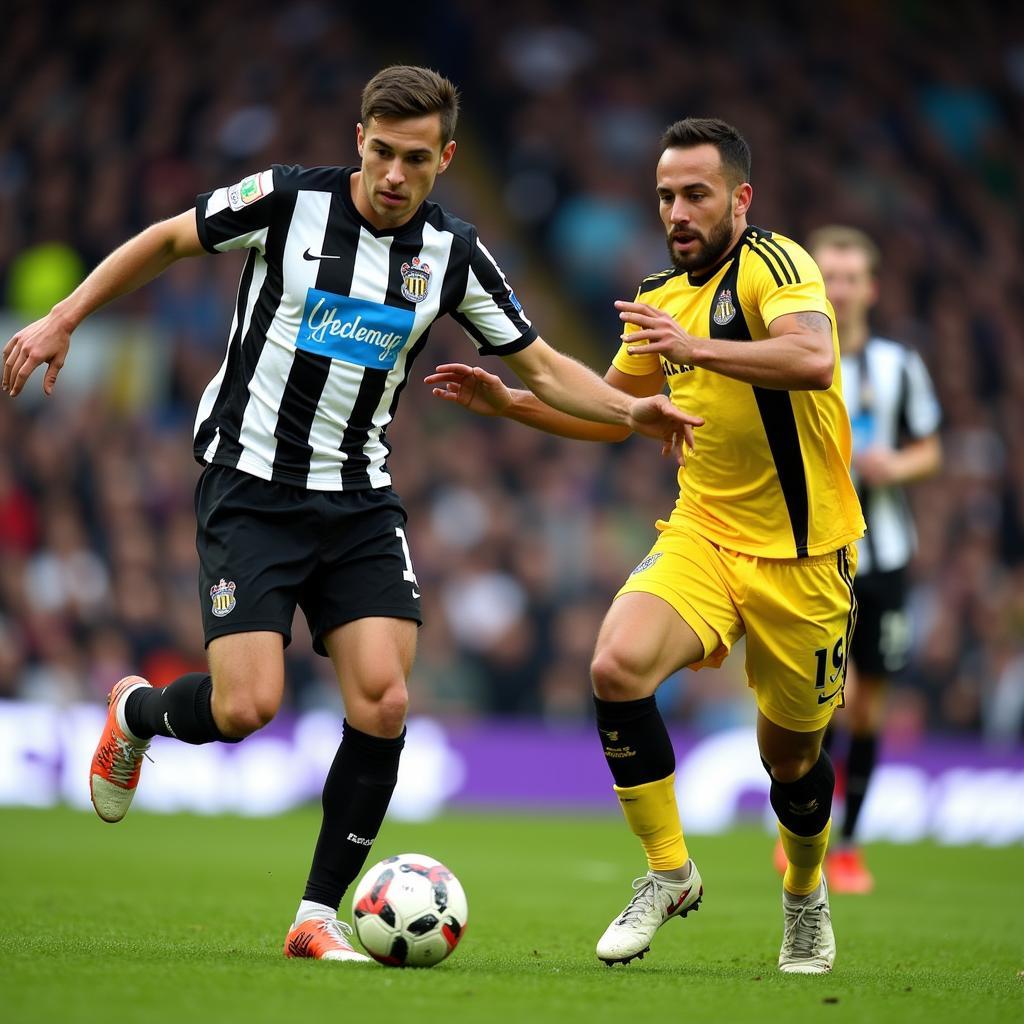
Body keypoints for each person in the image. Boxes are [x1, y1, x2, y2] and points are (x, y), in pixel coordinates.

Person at [1, 65, 698, 964]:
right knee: (247, 705)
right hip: (249, 484)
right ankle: (137, 715)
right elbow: (169, 240)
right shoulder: (287, 204)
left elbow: (543, 366)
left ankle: (316, 914)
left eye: (417, 158)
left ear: (447, 159)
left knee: (386, 698)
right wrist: (63, 316)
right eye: (381, 152)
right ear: (357, 141)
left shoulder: (453, 257)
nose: (396, 175)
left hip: (359, 497)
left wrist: (631, 411)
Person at [427, 118, 865, 974]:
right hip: (703, 533)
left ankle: (805, 896)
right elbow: (611, 411)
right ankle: (669, 872)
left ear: (740, 198)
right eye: (665, 195)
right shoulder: (658, 295)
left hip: (806, 556)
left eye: (696, 193)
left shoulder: (778, 267)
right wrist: (510, 403)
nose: (677, 210)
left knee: (793, 760)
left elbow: (812, 360)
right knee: (615, 667)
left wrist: (695, 348)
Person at [801, 225, 941, 892]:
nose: (839, 289)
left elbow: (932, 449)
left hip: (883, 559)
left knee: (868, 706)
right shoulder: (791, 360)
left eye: (851, 277)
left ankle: (849, 844)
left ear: (871, 288)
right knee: (822, 700)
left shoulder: (898, 366)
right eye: (828, 275)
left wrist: (895, 465)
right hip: (815, 552)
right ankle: (806, 833)